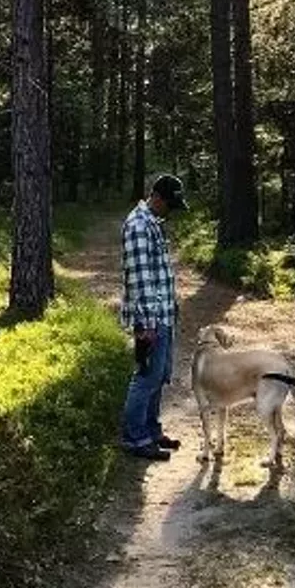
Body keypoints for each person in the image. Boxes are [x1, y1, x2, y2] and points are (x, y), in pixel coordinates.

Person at [119, 173, 187, 461]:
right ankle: (135, 438)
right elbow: (140, 279)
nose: (170, 210)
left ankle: (151, 430)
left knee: (159, 376)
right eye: (169, 204)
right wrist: (146, 324)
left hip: (163, 315)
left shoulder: (153, 224)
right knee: (146, 377)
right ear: (156, 197)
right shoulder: (137, 226)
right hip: (150, 318)